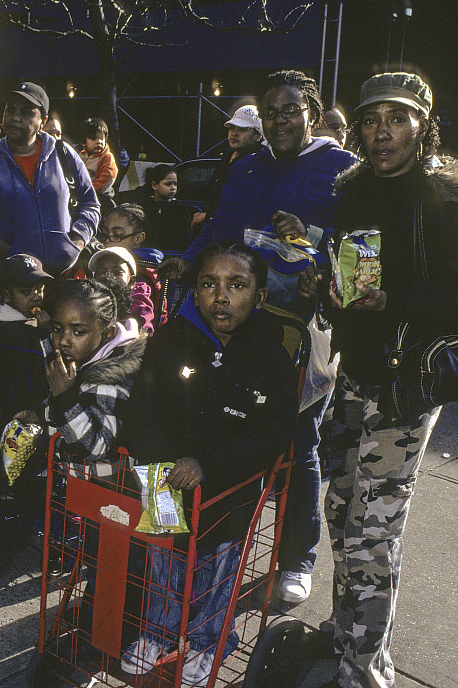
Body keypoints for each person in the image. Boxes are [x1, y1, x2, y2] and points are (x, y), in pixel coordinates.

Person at [299, 72, 458, 688]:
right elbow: (353, 276)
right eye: (370, 119)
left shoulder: (441, 197)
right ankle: (349, 634)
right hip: (354, 377)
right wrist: (330, 293)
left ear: (423, 125)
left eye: (396, 118)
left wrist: (395, 299)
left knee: (372, 534)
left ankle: (365, 672)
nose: (381, 131)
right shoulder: (355, 190)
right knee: (341, 513)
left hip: (408, 385)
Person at [165, 70, 357, 604]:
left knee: (298, 442)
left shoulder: (341, 167)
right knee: (218, 428)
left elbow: (356, 251)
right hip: (232, 327)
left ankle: (297, 560)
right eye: (271, 111)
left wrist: (310, 243)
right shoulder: (247, 166)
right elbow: (220, 227)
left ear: (312, 114)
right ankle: (206, 539)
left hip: (297, 332)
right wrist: (189, 256)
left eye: (290, 110)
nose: (279, 120)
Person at [120, 241, 297, 686]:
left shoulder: (271, 358)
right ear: (195, 293)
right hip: (165, 477)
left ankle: (208, 640)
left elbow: (270, 434)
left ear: (259, 297)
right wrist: (161, 460)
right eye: (208, 284)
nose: (221, 296)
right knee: (165, 559)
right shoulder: (170, 341)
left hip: (228, 486)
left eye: (236, 286)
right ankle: (158, 631)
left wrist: (208, 464)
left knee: (217, 567)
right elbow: (144, 407)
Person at [0, 82, 100, 284]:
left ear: (42, 121)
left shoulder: (64, 154)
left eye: (26, 112)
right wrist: (9, 253)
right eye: (10, 109)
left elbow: (91, 203)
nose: (15, 118)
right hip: (9, 282)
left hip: (64, 280)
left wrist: (77, 241)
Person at [13, 278, 146, 467]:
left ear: (108, 333)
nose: (63, 341)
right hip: (71, 483)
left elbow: (95, 447)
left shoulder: (110, 382)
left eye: (78, 332)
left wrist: (65, 397)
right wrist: (41, 421)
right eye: (57, 329)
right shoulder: (81, 362)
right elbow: (71, 424)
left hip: (97, 490)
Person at [0, 253, 52, 427]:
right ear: (6, 296)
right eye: (26, 292)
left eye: (40, 289)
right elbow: (40, 366)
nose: (36, 296)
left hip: (8, 404)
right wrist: (44, 333)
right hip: (21, 410)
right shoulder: (11, 333)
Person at [97, 203, 168, 328]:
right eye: (104, 234)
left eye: (117, 235)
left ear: (138, 238)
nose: (107, 240)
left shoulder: (141, 277)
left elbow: (141, 317)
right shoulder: (104, 260)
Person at [202, 105, 264, 215]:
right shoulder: (229, 154)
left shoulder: (259, 162)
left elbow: (239, 204)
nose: (234, 133)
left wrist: (206, 216)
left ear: (258, 135)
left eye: (243, 129)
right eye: (232, 127)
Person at [89, 246, 155, 334]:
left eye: (117, 273)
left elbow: (140, 338)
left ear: (132, 282)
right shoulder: (88, 301)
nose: (108, 277)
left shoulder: (139, 308)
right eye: (102, 273)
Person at [78, 117, 118, 202]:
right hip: (83, 194)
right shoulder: (81, 155)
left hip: (101, 196)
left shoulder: (106, 157)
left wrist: (92, 190)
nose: (99, 141)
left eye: (101, 138)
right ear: (83, 141)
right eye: (93, 138)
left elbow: (109, 176)